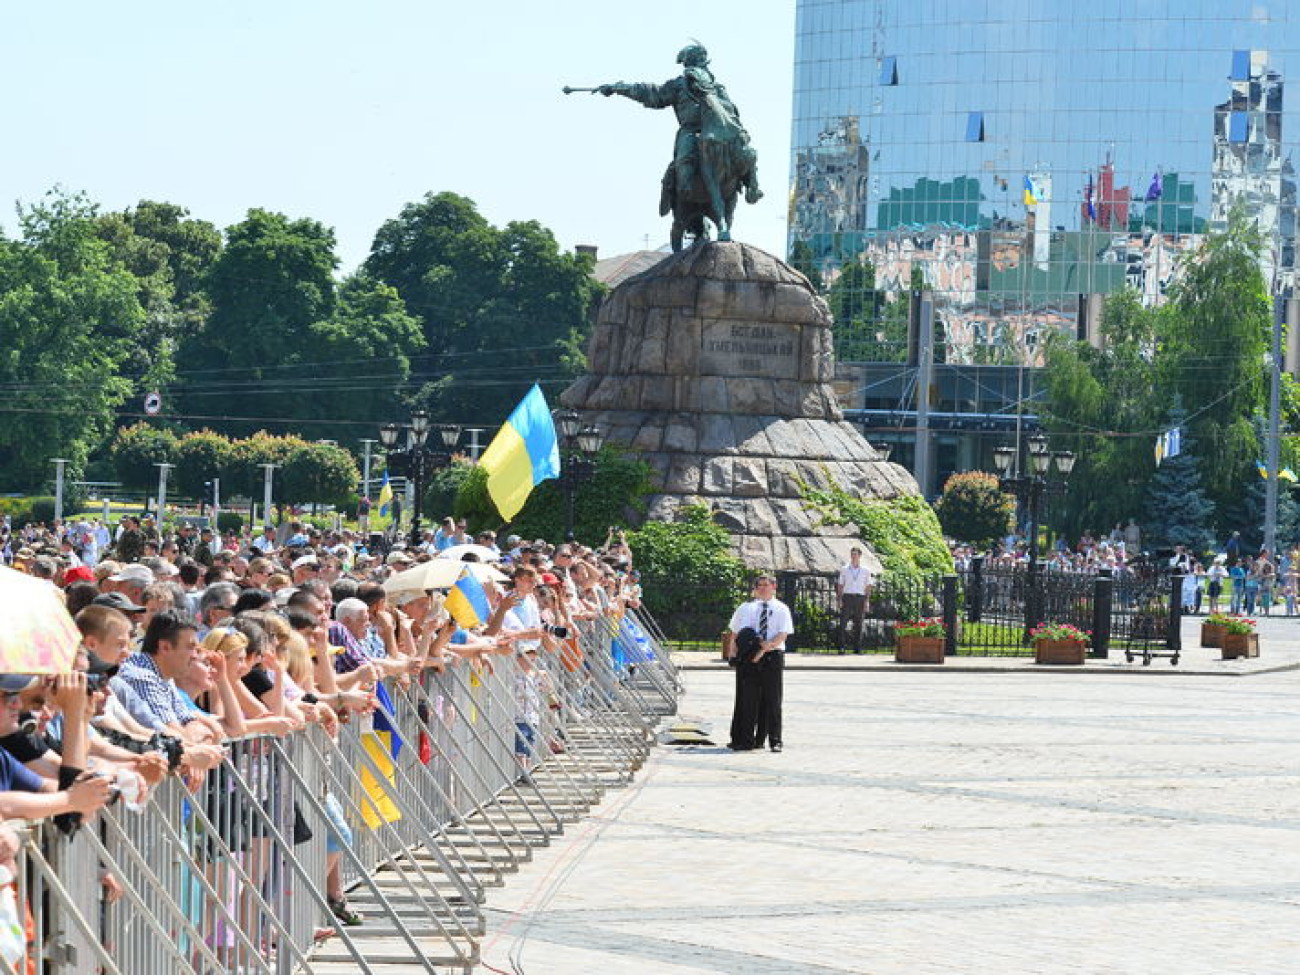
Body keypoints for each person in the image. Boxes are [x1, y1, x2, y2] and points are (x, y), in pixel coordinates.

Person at [599, 43, 763, 215]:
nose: (701, 66)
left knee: (746, 152)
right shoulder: (679, 86)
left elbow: (732, 111)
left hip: (719, 131)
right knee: (684, 159)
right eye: (697, 62)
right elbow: (652, 93)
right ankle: (680, 189)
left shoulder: (717, 88)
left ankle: (752, 186)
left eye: (703, 62)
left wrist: (736, 129)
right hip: (691, 132)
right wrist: (618, 88)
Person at [725, 575, 792, 753]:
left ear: (774, 587)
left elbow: (783, 634)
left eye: (766, 585)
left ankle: (775, 740)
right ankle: (746, 739)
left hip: (772, 655)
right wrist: (732, 653)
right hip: (749, 657)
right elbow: (735, 633)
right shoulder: (746, 608)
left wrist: (765, 649)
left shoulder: (781, 609)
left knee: (773, 700)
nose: (762, 588)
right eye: (759, 585)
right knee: (748, 700)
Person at [835, 547, 873, 652]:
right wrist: (839, 599)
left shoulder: (865, 570)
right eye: (852, 554)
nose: (853, 556)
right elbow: (840, 585)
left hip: (860, 597)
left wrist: (867, 601)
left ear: (860, 556)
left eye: (855, 554)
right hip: (848, 596)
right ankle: (842, 647)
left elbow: (868, 586)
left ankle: (857, 647)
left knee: (859, 623)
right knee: (843, 622)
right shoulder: (845, 569)